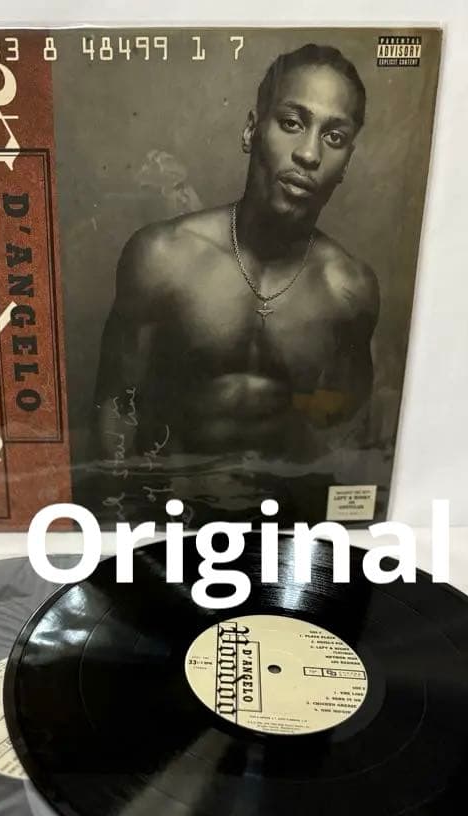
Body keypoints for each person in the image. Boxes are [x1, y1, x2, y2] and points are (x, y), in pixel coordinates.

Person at [92, 44, 379, 521]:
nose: (309, 154)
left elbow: (348, 435)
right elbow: (118, 408)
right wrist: (119, 523)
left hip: (284, 529)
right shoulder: (162, 257)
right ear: (251, 130)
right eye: (292, 123)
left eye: (334, 136)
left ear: (346, 161)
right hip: (170, 523)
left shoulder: (349, 289)